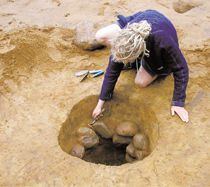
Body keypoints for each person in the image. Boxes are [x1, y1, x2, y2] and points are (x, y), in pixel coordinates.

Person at [92, 10, 189, 123]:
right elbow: (112, 70)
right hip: (143, 21)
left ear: (138, 54)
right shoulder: (125, 38)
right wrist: (100, 103)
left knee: (140, 82)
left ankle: (157, 69)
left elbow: (181, 68)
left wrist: (178, 103)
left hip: (159, 47)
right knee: (101, 36)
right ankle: (132, 63)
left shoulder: (162, 41)